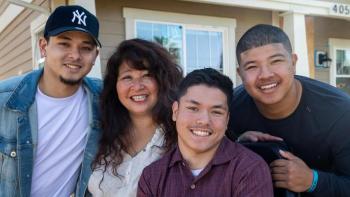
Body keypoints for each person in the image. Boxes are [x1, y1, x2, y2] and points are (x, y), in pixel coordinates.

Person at [227, 24, 350, 196]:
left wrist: (312, 180)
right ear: (240, 73)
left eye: (276, 61)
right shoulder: (229, 108)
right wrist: (236, 145)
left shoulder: (340, 112)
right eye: (252, 66)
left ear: (293, 62)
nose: (265, 74)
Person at [0, 5, 102, 197]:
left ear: (95, 56)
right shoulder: (5, 100)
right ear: (43, 47)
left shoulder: (104, 99)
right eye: (64, 44)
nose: (75, 55)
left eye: (86, 48)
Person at [138, 68, 273, 197]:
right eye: (193, 108)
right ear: (175, 112)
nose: (204, 120)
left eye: (216, 112)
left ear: (227, 119)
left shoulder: (249, 169)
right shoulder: (153, 176)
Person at [88, 38, 183, 196]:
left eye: (147, 76)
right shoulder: (102, 134)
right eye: (127, 77)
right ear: (115, 86)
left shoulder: (181, 136)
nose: (137, 86)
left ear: (162, 81)